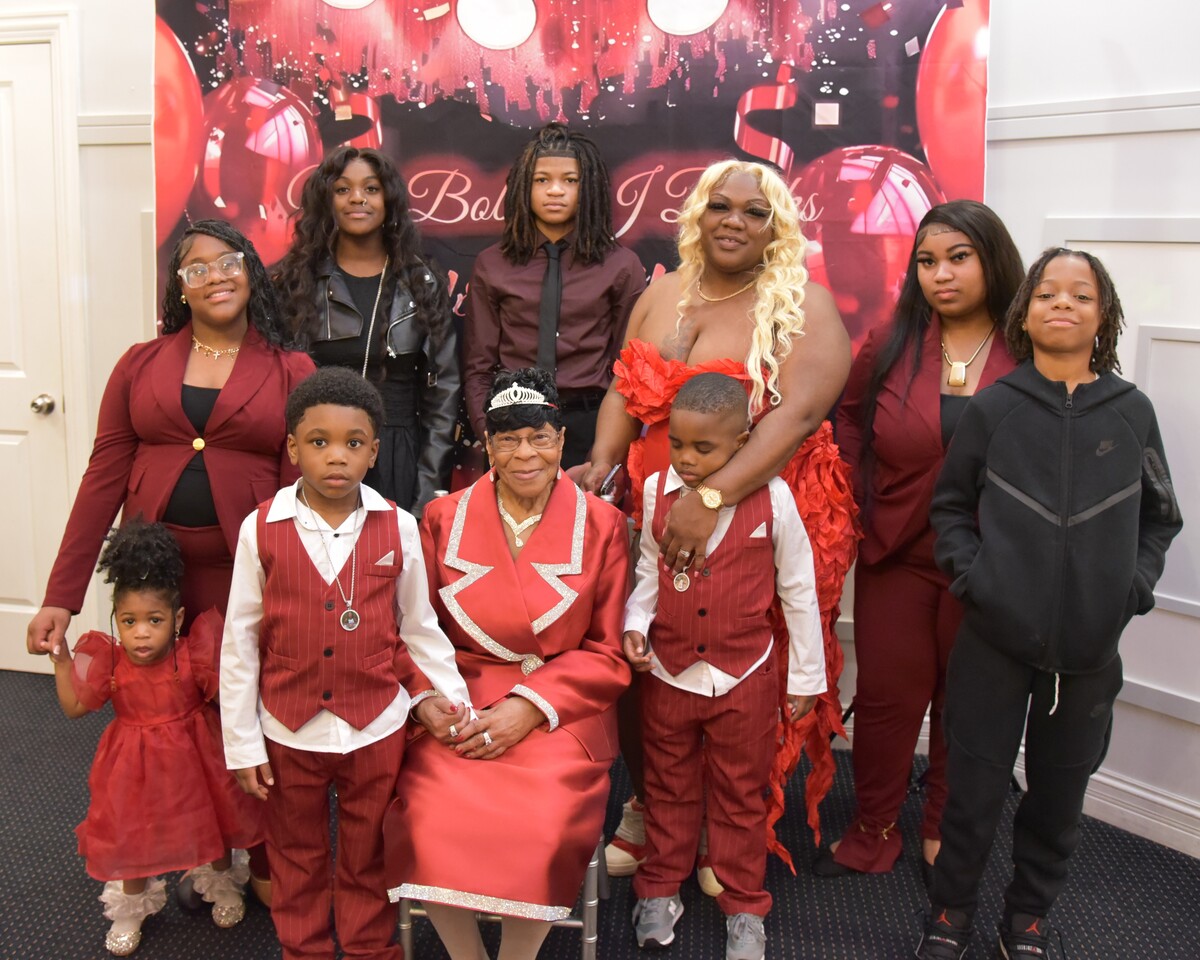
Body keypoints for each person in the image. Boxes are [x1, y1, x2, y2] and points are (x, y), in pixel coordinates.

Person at [581, 159, 858, 877]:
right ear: (698, 214)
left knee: (739, 680)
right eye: (720, 206)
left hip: (752, 517)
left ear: (778, 227)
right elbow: (623, 391)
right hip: (654, 513)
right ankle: (654, 804)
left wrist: (710, 500)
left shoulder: (804, 304)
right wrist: (603, 464)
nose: (735, 221)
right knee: (653, 664)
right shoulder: (661, 293)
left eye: (755, 211)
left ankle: (726, 827)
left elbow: (794, 418)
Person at [26, 218, 312, 904]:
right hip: (153, 580)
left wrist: (292, 589)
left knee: (245, 711)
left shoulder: (290, 369)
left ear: (251, 271)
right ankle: (183, 850)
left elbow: (296, 492)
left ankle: (261, 854)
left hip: (244, 576)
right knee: (164, 725)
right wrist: (61, 595)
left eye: (228, 262)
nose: (215, 277)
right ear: (180, 287)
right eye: (197, 269)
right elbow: (104, 475)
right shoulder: (139, 363)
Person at [916, 249, 1182, 959]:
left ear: (1104, 316)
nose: (1063, 303)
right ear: (1024, 312)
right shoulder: (993, 407)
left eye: (1081, 295)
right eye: (1047, 293)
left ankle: (1028, 918)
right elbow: (950, 508)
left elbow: (1161, 517)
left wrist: (1131, 588)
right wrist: (976, 580)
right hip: (992, 643)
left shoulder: (1133, 412)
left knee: (1059, 800)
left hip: (1089, 655)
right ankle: (950, 914)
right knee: (972, 792)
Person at [219, 367, 471, 960]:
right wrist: (243, 744)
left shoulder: (399, 526)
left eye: (353, 443)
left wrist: (452, 697)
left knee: (368, 853)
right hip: (289, 728)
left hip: (375, 725)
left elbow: (419, 626)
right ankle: (302, 949)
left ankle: (367, 948)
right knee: (296, 853)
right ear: (293, 448)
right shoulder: (261, 528)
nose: (337, 456)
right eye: (319, 441)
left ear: (374, 452)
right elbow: (240, 641)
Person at [384, 367, 632, 960]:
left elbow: (607, 653)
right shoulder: (441, 519)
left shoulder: (603, 526)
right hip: (461, 701)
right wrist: (428, 702)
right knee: (427, 813)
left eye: (540, 437)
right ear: (487, 447)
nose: (526, 454)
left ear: (561, 441)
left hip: (562, 710)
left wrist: (530, 708)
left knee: (543, 823)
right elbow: (410, 632)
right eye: (509, 440)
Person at [820, 201, 1023, 881]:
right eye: (928, 261)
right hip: (897, 551)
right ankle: (872, 828)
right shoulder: (892, 340)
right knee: (887, 698)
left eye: (959, 257)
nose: (942, 274)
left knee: (965, 701)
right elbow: (850, 417)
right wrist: (858, 495)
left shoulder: (1027, 347)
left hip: (989, 561)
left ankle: (942, 828)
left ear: (992, 260)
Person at [623, 373, 824, 960]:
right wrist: (636, 624)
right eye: (677, 444)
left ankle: (744, 905)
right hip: (669, 673)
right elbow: (648, 571)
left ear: (741, 443)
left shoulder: (775, 498)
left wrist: (806, 677)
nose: (686, 458)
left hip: (745, 676)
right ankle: (660, 888)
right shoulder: (657, 490)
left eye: (703, 447)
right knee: (667, 785)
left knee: (741, 792)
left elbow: (799, 589)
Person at [50, 521, 264, 957]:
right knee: (132, 836)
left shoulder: (193, 654)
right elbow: (74, 706)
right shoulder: (111, 662)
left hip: (198, 762)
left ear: (177, 619)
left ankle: (222, 884)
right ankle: (131, 909)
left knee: (216, 822)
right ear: (116, 620)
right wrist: (61, 658)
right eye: (129, 622)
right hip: (133, 770)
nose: (142, 632)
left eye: (155, 620)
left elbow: (229, 695)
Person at [274, 145, 459, 515]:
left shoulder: (421, 283)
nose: (357, 198)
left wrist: (427, 497)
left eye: (371, 188)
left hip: (396, 455)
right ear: (326, 200)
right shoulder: (295, 282)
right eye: (343, 189)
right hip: (318, 452)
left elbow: (443, 399)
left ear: (389, 200)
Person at [463, 122, 646, 468]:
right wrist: (492, 435)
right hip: (511, 421)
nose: (556, 191)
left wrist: (606, 452)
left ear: (589, 187)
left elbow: (628, 371)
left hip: (591, 425)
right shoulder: (492, 264)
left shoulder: (621, 266)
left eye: (571, 180)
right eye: (541, 180)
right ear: (523, 186)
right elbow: (478, 368)